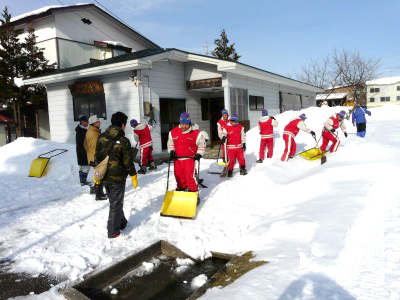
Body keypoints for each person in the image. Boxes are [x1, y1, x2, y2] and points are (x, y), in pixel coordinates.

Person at [95, 112, 138, 239]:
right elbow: (127, 162)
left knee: (115, 201)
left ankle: (122, 222)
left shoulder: (102, 137)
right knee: (116, 204)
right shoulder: (124, 141)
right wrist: (133, 175)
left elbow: (97, 156)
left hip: (104, 175)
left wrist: (97, 174)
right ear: (123, 124)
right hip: (117, 177)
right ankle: (113, 231)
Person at [167, 112, 205, 193]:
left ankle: (193, 191)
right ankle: (181, 188)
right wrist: (171, 151)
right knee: (179, 176)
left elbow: (202, 144)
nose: (184, 126)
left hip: (190, 158)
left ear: (189, 123)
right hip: (177, 159)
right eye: (182, 124)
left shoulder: (196, 133)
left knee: (189, 176)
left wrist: (199, 153)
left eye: (186, 124)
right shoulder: (173, 132)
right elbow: (170, 143)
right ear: (180, 122)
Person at [84, 115, 106, 200]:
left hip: (93, 158)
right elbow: (98, 147)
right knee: (99, 176)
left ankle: (98, 192)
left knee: (98, 175)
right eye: (98, 121)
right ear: (94, 123)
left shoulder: (92, 131)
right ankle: (99, 194)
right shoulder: (94, 133)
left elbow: (85, 145)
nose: (100, 123)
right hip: (96, 159)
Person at [75, 115, 91, 186]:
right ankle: (83, 181)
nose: (87, 123)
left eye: (87, 121)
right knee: (85, 166)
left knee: (82, 166)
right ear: (82, 122)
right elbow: (82, 142)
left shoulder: (82, 129)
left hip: (81, 151)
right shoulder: (81, 131)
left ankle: (82, 181)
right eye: (86, 121)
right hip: (83, 151)